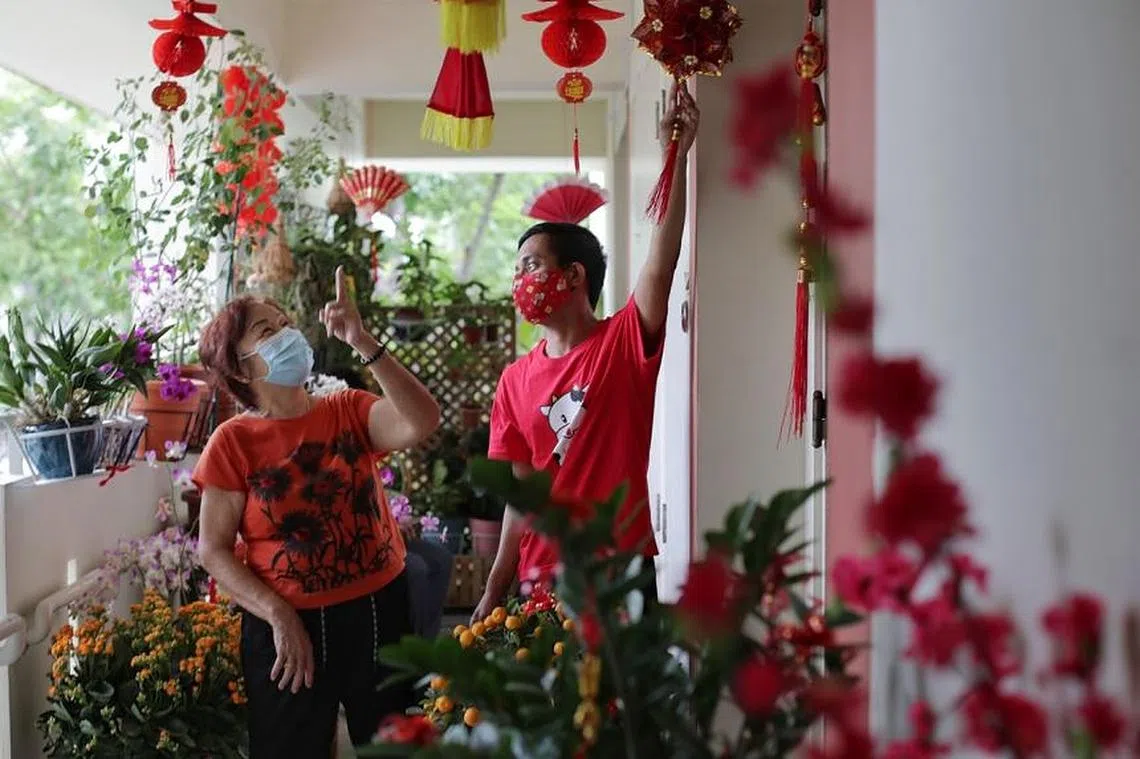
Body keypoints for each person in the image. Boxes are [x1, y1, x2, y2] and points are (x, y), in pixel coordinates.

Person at [472, 82, 699, 621]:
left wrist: (676, 154)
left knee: (619, 707)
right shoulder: (514, 381)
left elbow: (660, 264)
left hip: (619, 574)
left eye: (531, 265)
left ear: (573, 275)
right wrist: (493, 588)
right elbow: (519, 499)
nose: (520, 279)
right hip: (540, 581)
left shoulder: (622, 342)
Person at [193, 267, 440, 758]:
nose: (287, 334)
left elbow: (422, 420)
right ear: (241, 369)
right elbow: (213, 551)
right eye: (267, 331)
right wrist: (277, 614)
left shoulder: (346, 408)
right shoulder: (233, 442)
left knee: (396, 748)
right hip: (285, 628)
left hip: (379, 613)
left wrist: (362, 339)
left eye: (285, 323)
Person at [404, 535, 453, 638]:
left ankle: (428, 639)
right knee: (418, 568)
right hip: (381, 541)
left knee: (443, 558)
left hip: (397, 536)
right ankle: (413, 638)